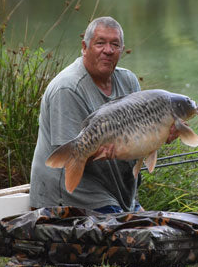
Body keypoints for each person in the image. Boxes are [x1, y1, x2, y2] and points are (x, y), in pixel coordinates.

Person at [29, 16, 177, 213]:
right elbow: (68, 161)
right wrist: (96, 153)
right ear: (85, 46)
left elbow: (139, 141)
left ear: (121, 50)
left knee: (155, 233)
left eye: (114, 44)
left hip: (118, 193)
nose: (108, 50)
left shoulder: (129, 81)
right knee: (137, 237)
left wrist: (160, 136)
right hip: (73, 196)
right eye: (100, 43)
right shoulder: (67, 88)